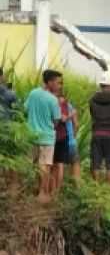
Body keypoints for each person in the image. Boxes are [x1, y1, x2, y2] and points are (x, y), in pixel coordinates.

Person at [24, 70, 62, 200]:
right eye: (57, 83)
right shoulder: (53, 100)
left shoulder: (33, 93)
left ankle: (24, 190)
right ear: (49, 82)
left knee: (28, 163)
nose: (59, 86)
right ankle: (43, 193)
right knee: (44, 165)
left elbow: (26, 109)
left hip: (31, 135)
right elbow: (57, 120)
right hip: (46, 137)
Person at [89, 71, 110, 184]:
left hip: (97, 133)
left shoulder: (93, 100)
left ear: (101, 85)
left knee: (96, 162)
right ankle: (108, 189)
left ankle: (96, 187)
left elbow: (92, 114)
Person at [48, 75, 78, 190]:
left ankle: (52, 190)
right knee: (62, 164)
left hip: (54, 136)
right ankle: (60, 190)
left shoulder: (52, 101)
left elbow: (61, 118)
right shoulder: (64, 102)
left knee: (52, 165)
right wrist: (72, 114)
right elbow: (72, 121)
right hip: (65, 137)